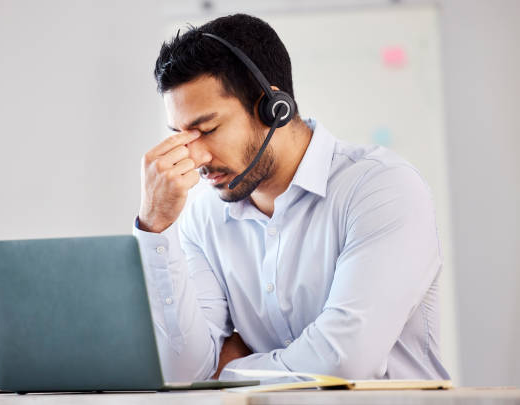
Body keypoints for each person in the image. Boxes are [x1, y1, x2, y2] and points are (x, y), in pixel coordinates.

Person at [134, 13, 450, 382]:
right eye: (181, 135)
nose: (196, 157)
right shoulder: (202, 217)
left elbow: (342, 363)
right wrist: (156, 227)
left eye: (207, 130)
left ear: (274, 108)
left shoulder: (381, 189)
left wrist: (225, 371)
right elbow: (182, 373)